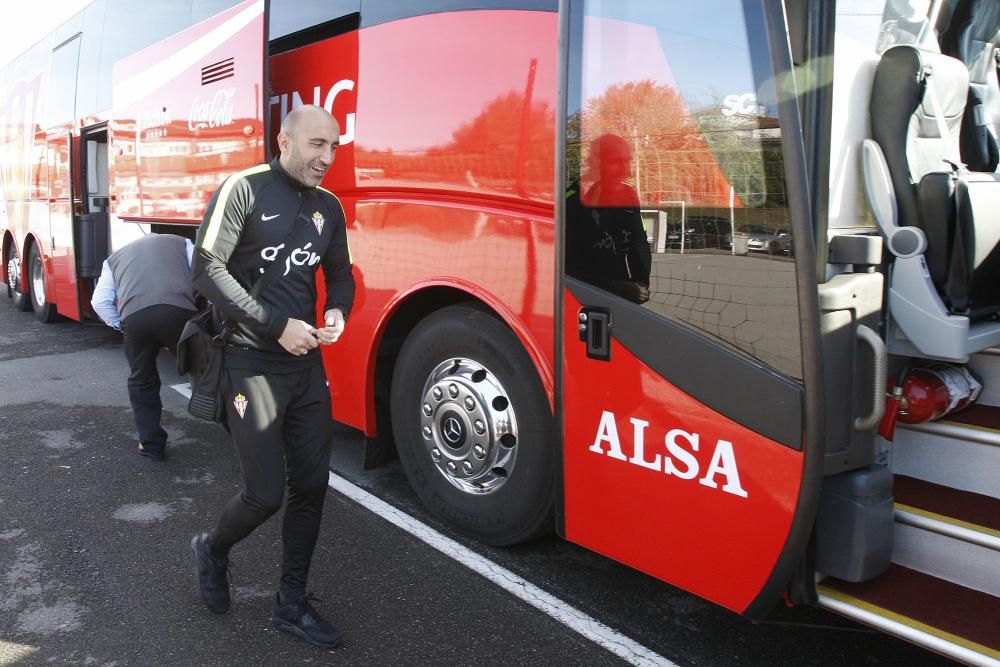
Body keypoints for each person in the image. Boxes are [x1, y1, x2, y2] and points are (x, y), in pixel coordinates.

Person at [188, 104, 355, 650]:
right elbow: (206, 269)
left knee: (311, 487)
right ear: (284, 141)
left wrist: (336, 315)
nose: (326, 158)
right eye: (316, 145)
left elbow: (339, 274)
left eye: (333, 146)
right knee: (265, 495)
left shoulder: (328, 207)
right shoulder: (243, 188)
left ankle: (291, 602)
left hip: (306, 367)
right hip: (251, 364)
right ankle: (212, 548)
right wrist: (276, 324)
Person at [91, 233, 198, 462]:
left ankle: (151, 445)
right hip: (178, 314)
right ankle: (237, 428)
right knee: (208, 370)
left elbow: (98, 302)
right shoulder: (183, 244)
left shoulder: (112, 260)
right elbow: (205, 279)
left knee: (142, 380)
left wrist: (120, 325)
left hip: (135, 319)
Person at [565, 133, 651, 304]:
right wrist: (613, 287)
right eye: (616, 161)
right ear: (595, 163)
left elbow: (639, 241)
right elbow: (567, 265)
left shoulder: (629, 195)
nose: (627, 170)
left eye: (627, 161)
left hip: (623, 294)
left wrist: (641, 282)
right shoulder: (571, 201)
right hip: (583, 298)